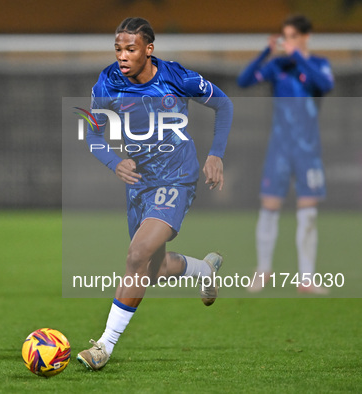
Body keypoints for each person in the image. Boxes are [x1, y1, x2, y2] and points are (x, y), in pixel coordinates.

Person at [76, 17, 233, 371]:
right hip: (140, 184)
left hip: (176, 178)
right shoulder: (107, 82)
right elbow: (91, 133)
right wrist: (113, 162)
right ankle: (203, 271)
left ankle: (104, 346)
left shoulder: (176, 77)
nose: (122, 56)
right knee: (151, 266)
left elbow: (224, 105)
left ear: (149, 49)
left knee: (137, 254)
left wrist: (216, 154)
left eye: (130, 49)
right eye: (118, 48)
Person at [237, 15, 333, 294]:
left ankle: (306, 278)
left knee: (308, 212)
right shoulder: (277, 66)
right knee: (269, 207)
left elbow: (324, 86)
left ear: (305, 37)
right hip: (280, 147)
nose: (286, 41)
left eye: (291, 36)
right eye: (284, 36)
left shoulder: (318, 64)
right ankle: (263, 270)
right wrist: (266, 53)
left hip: (308, 149)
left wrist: (299, 57)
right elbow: (243, 81)